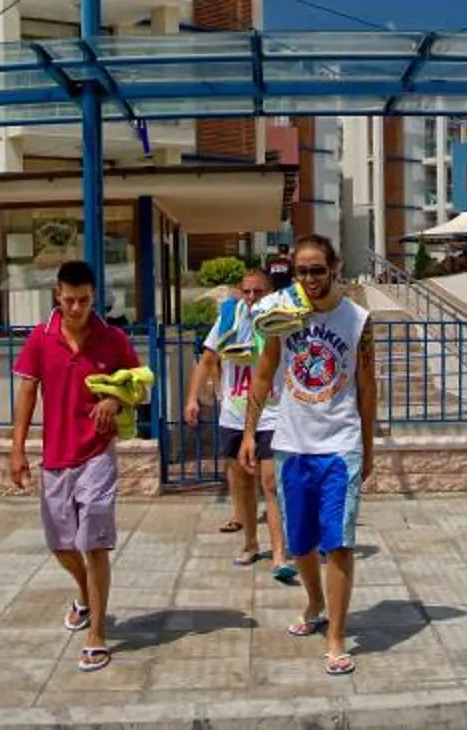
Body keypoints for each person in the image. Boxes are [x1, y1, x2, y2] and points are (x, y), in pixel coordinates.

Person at [242, 233, 377, 676]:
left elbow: (367, 388)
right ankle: (315, 600)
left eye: (318, 269)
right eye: (302, 271)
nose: (310, 279)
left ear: (334, 267)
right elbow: (263, 374)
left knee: (337, 543)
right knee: (300, 542)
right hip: (291, 443)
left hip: (340, 445)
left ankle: (336, 636)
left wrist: (369, 448)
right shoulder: (282, 313)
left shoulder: (357, 320)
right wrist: (248, 433)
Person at [7, 259, 141, 672]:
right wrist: (16, 450)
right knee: (61, 545)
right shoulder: (39, 339)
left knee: (95, 543)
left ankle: (96, 633)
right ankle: (83, 592)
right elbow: (28, 394)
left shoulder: (113, 338)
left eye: (84, 300)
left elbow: (138, 382)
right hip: (54, 458)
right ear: (57, 296)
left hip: (97, 453)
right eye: (70, 300)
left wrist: (114, 399)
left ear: (93, 296)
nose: (78, 308)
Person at [185, 269, 287, 575]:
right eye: (247, 291)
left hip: (272, 412)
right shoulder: (229, 320)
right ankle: (251, 543)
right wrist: (192, 399)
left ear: (271, 293)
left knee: (270, 484)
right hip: (234, 413)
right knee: (242, 483)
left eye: (259, 292)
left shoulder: (280, 321)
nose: (253, 298)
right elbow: (207, 359)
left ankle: (280, 553)